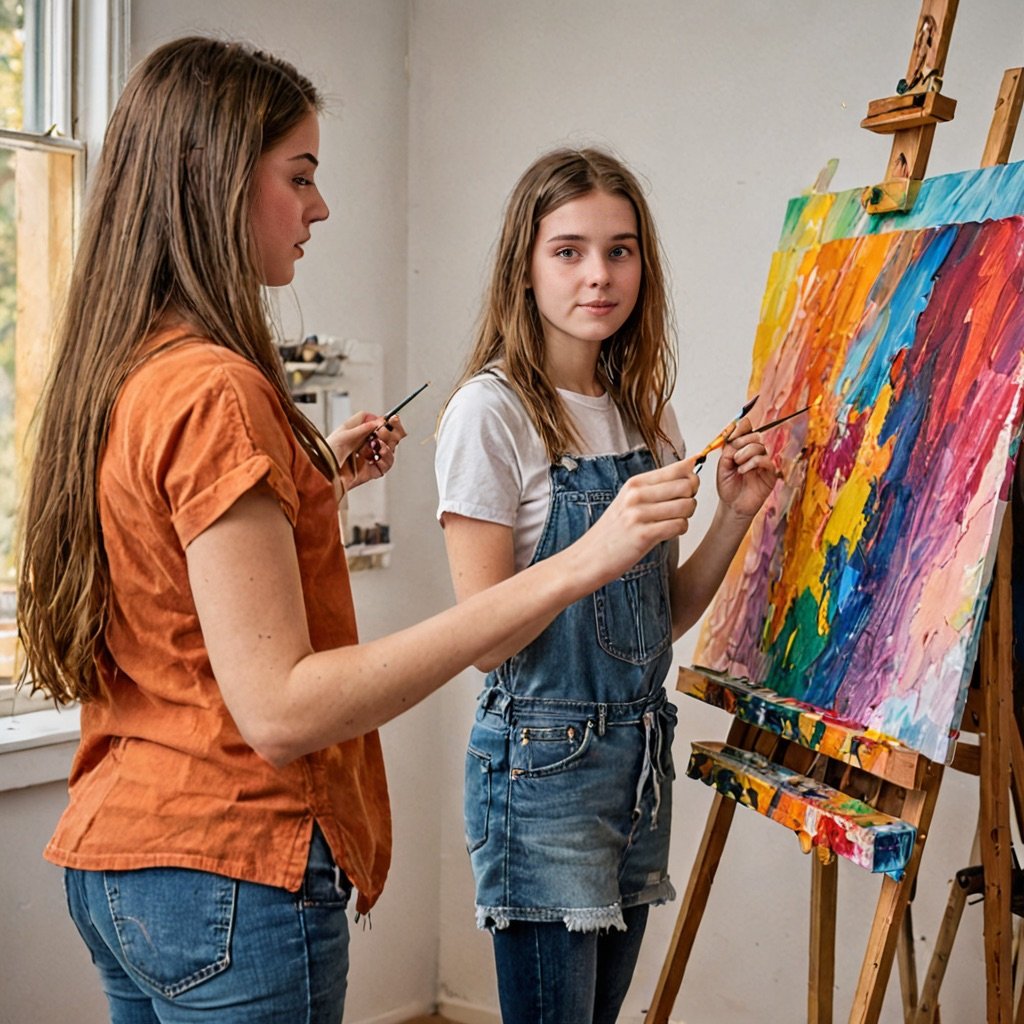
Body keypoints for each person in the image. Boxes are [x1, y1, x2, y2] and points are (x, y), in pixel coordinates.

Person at [16, 42, 701, 1024]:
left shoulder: (136, 368)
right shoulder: (219, 390)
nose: (320, 207)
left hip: (123, 853)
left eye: (619, 248)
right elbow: (283, 710)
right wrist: (581, 563)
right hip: (230, 866)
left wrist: (308, 477)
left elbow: (171, 575)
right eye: (299, 177)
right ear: (214, 180)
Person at [434, 147, 777, 1023]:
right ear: (526, 265)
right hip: (542, 769)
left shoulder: (641, 411)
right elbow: (482, 638)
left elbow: (657, 622)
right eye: (570, 250)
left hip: (637, 763)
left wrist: (734, 513)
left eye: (620, 250)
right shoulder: (491, 412)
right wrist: (602, 541)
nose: (599, 275)